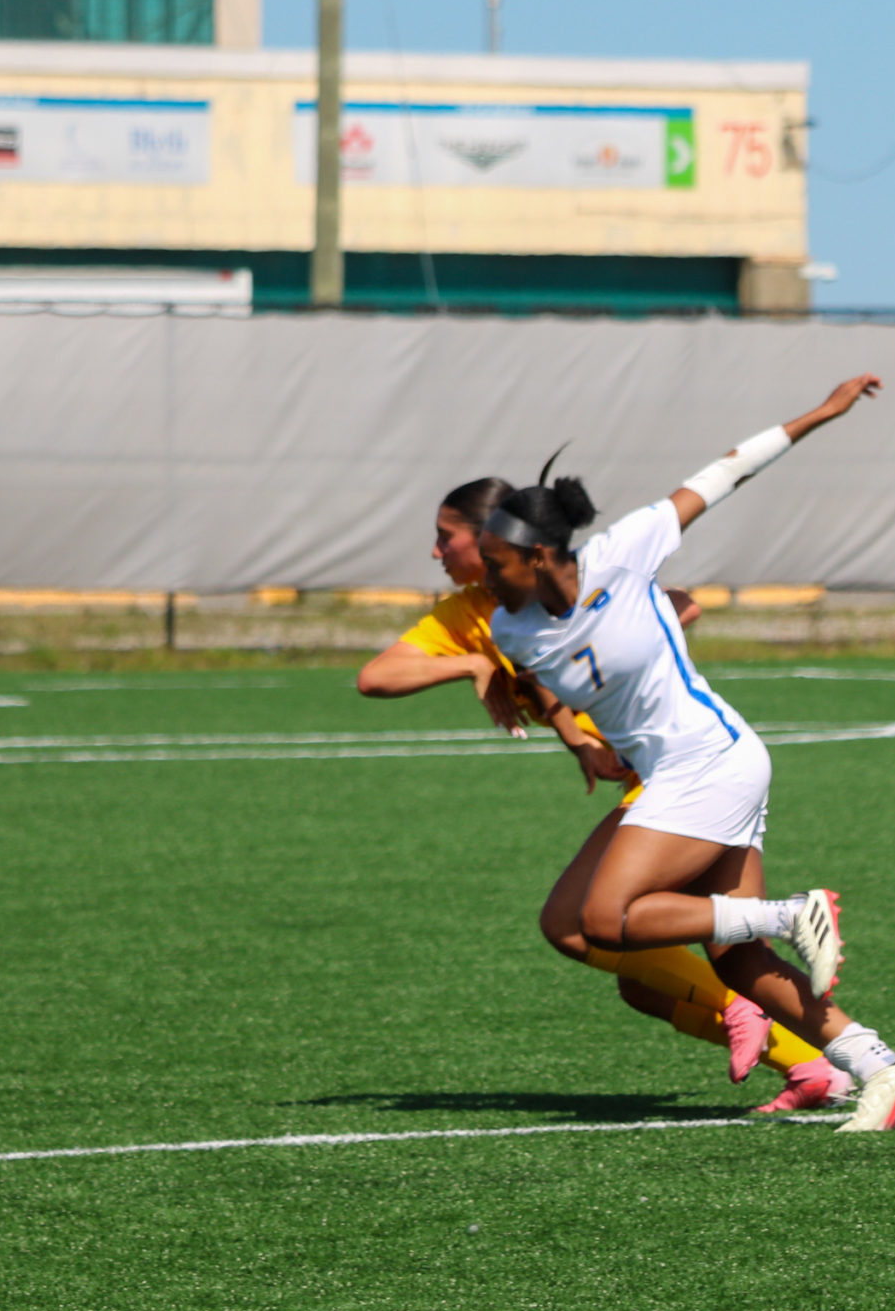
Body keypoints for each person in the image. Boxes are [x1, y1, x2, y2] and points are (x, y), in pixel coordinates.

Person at [479, 375, 895, 1131]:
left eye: (497, 562)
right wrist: (506, 685)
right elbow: (551, 676)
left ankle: (796, 911)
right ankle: (881, 1065)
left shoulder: (625, 552)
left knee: (606, 918)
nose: (487, 577)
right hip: (678, 773)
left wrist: (821, 412)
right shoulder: (511, 627)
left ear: (542, 554)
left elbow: (722, 472)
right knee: (733, 960)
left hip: (711, 760)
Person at [356, 475, 851, 1114]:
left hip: (677, 776)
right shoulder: (475, 617)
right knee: (651, 984)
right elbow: (376, 677)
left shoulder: (558, 582)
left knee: (578, 927)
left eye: (445, 537)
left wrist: (626, 647)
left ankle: (790, 1016)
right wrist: (479, 669)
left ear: (490, 542)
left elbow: (676, 602)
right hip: (655, 779)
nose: (436, 552)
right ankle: (826, 1064)